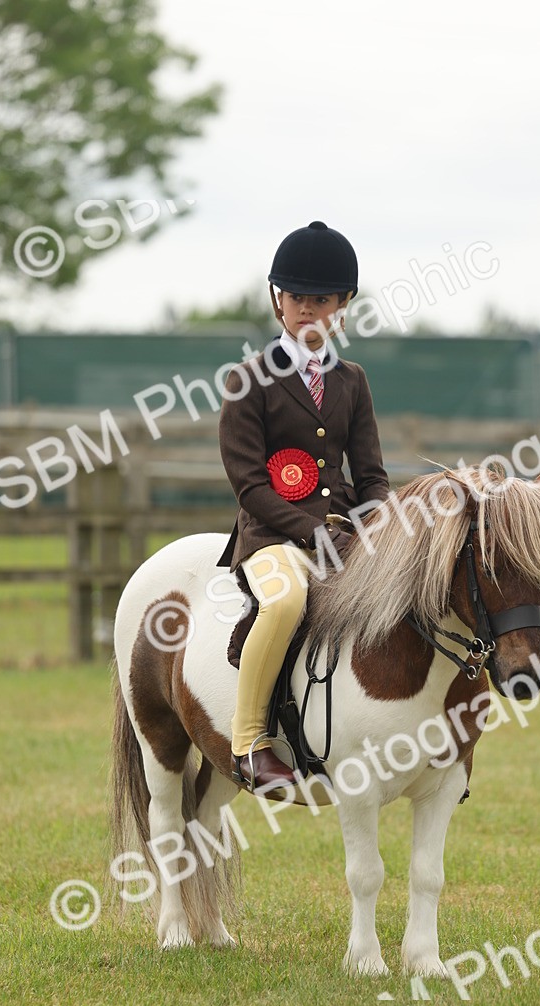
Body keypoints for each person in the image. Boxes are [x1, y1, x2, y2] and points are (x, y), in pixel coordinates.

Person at [217, 220, 390, 792]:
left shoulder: (353, 380)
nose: (308, 310)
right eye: (298, 299)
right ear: (278, 301)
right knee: (287, 600)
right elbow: (249, 486)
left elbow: (371, 476)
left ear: (343, 307)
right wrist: (311, 534)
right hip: (269, 536)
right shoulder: (248, 381)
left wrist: (380, 530)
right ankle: (250, 743)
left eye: (322, 300)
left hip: (344, 534)